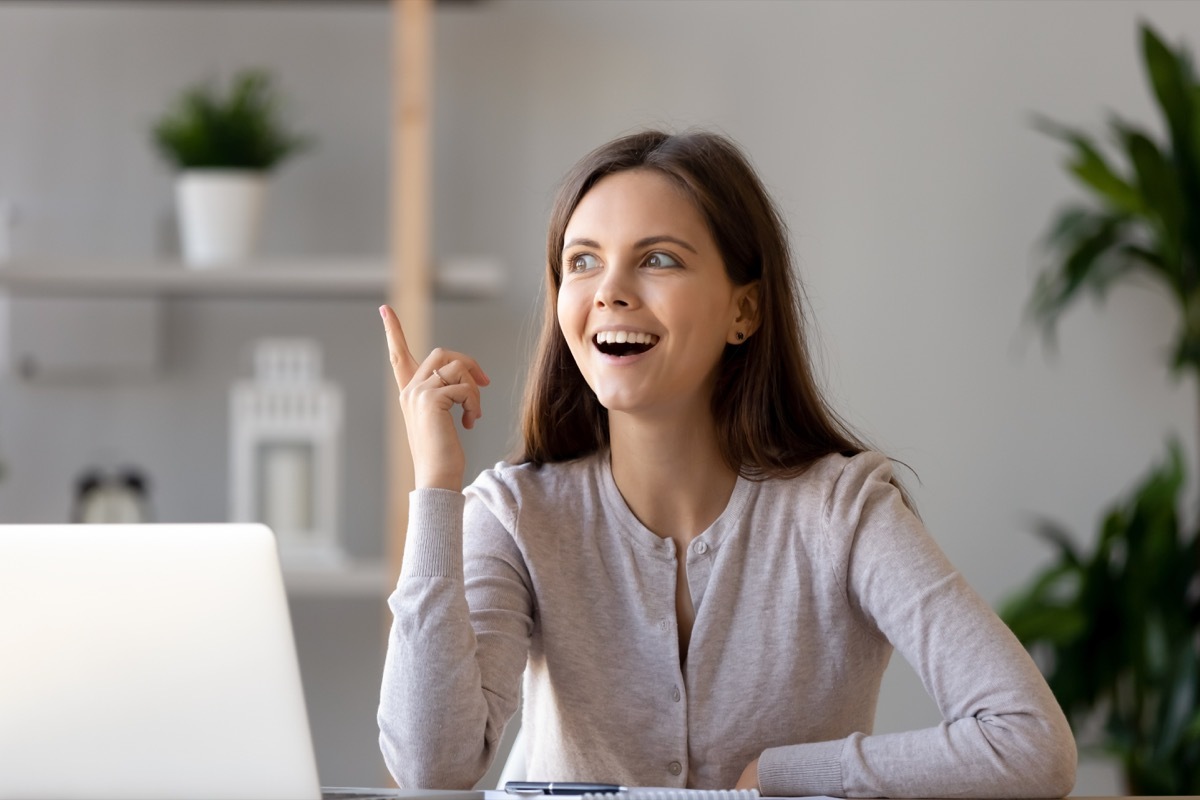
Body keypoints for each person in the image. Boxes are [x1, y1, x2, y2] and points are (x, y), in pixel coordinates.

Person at [376, 129, 1077, 798]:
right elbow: (432, 766)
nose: (609, 291)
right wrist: (436, 490)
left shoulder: (843, 512)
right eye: (582, 260)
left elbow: (1031, 741)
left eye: (658, 259)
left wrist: (787, 773)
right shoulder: (516, 514)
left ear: (744, 310)